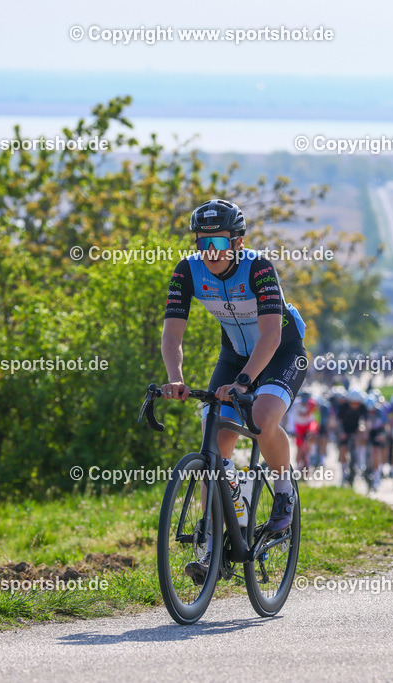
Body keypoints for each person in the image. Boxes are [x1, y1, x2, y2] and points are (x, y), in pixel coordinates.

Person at [161, 198, 308, 583]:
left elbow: (272, 334)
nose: (210, 252)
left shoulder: (258, 267)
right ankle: (213, 542)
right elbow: (173, 333)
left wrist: (243, 383)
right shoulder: (188, 271)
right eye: (202, 242)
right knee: (217, 438)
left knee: (261, 417)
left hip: (281, 352)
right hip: (234, 355)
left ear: (237, 243)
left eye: (219, 243)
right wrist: (175, 377)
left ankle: (283, 491)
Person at [336, 388, 370, 484]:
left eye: (357, 403)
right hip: (345, 429)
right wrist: (341, 433)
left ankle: (360, 460)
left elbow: (366, 421)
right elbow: (338, 422)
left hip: (356, 429)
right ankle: (343, 473)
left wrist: (365, 432)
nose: (355, 405)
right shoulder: (343, 407)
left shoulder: (363, 407)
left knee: (361, 432)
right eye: (353, 403)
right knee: (343, 449)